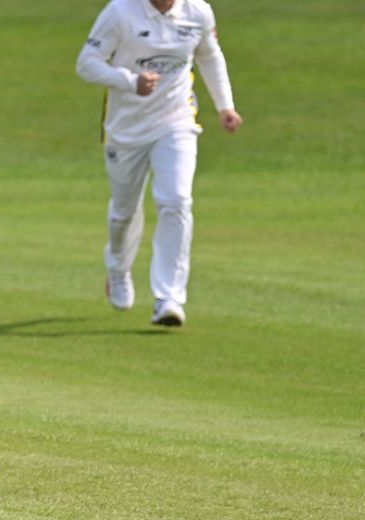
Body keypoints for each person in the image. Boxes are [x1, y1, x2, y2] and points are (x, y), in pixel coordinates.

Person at [76, 0, 242, 327]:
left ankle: (169, 297)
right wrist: (129, 81)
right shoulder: (120, 13)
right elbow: (86, 63)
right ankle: (119, 269)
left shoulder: (198, 12)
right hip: (126, 129)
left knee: (176, 201)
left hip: (176, 119)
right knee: (124, 211)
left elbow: (209, 54)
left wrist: (225, 105)